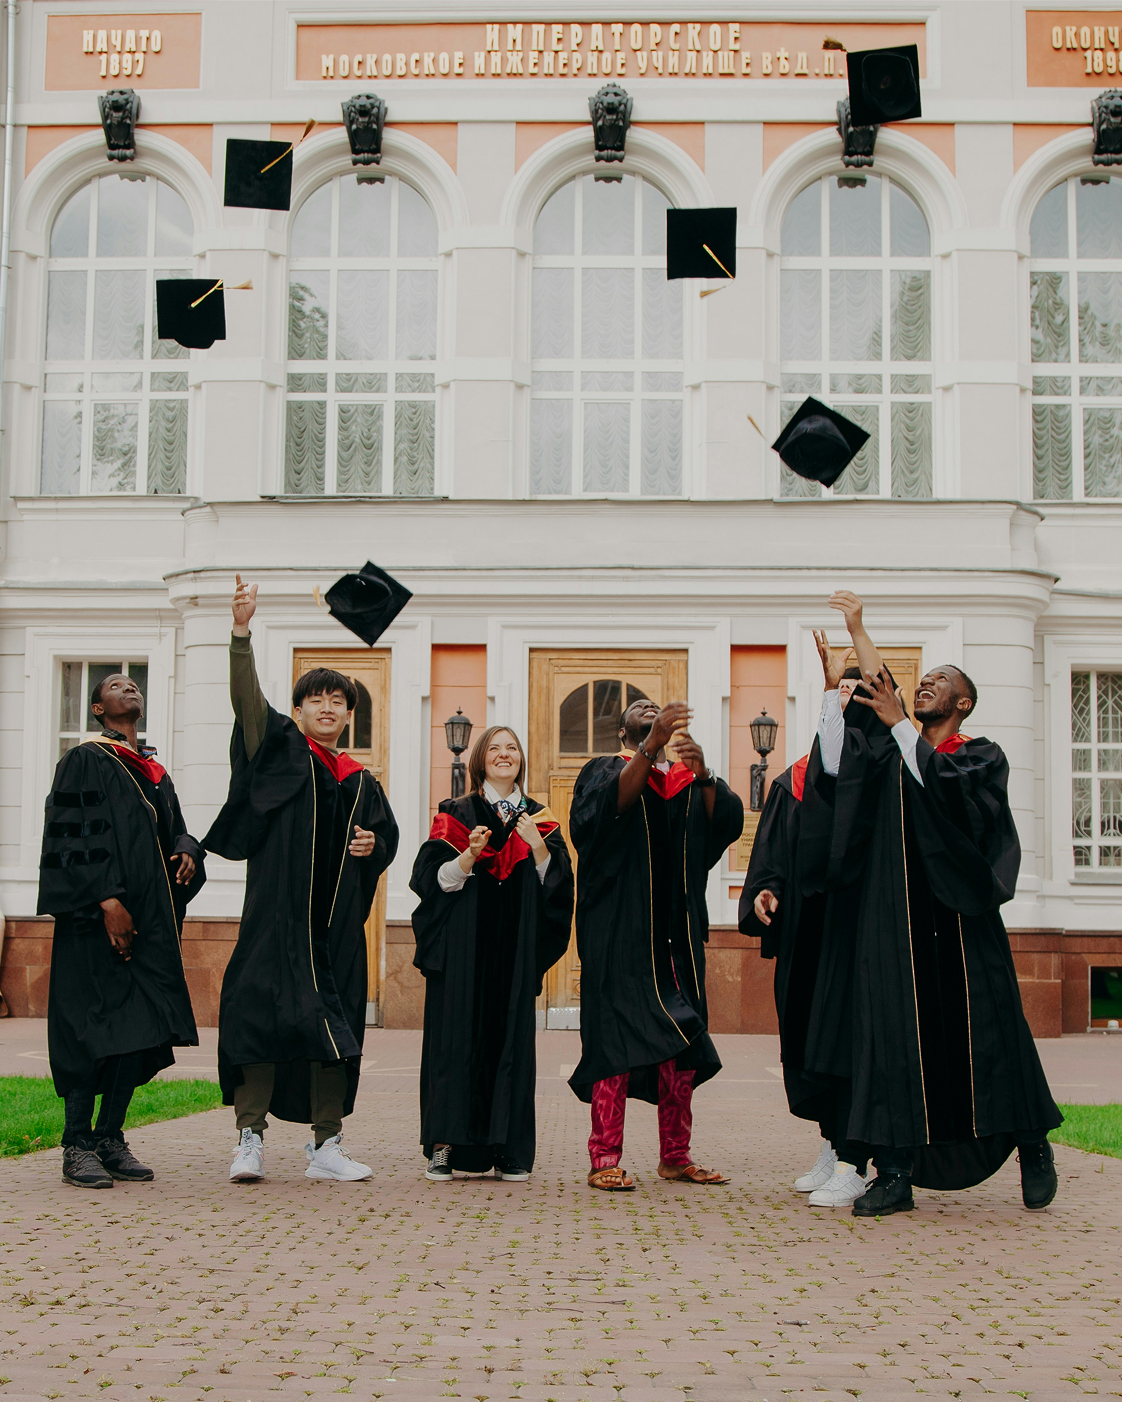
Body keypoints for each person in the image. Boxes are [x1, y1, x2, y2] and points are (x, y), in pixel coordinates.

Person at [824, 660, 1062, 1216]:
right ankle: (897, 1174)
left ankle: (1032, 1143)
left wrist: (901, 722)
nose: (929, 681)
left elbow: (954, 797)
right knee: (896, 1045)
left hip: (961, 923)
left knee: (995, 1036)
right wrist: (841, 683)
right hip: (900, 928)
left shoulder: (981, 755)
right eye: (924, 678)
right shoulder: (889, 755)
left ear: (963, 704)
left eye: (943, 680)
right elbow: (838, 770)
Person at [204, 576, 399, 1184]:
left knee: (333, 1030)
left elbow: (385, 839)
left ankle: (327, 1147)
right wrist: (241, 632)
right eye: (316, 699)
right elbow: (245, 700)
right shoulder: (279, 750)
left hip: (335, 928)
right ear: (297, 711)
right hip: (277, 920)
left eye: (339, 701)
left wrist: (374, 844)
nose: (328, 708)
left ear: (350, 715)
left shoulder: (362, 781)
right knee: (259, 1018)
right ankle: (249, 1138)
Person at [740, 592, 885, 1209]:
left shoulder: (879, 768)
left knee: (846, 1037)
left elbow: (844, 766)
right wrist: (766, 891)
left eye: (856, 692)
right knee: (806, 1039)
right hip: (807, 932)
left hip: (855, 927)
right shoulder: (791, 780)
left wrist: (854, 641)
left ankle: (856, 1154)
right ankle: (833, 1143)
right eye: (837, 693)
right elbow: (772, 854)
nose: (847, 698)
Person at [37, 672, 205, 1189]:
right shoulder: (86, 759)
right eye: (115, 685)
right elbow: (70, 837)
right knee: (92, 1030)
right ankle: (76, 1145)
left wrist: (188, 849)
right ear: (97, 709)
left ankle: (110, 1136)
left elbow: (173, 827)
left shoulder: (152, 770)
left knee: (140, 1029)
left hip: (150, 925)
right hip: (96, 926)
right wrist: (107, 901)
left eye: (134, 683)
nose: (128, 687)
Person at [568, 698, 744, 1190]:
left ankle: (675, 1156)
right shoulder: (604, 770)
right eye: (637, 709)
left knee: (682, 1042)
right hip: (619, 936)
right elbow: (597, 819)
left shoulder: (687, 781)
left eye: (653, 705)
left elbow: (723, 827)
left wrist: (704, 772)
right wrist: (652, 747)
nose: (646, 705)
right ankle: (604, 1158)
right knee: (613, 1044)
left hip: (676, 938)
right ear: (624, 732)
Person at [410, 725, 574, 1182]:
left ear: (522, 759)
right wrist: (467, 855)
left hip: (515, 955)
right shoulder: (455, 814)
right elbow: (430, 882)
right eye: (496, 749)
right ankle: (443, 1145)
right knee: (452, 1045)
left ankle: (509, 1148)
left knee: (512, 1047)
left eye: (513, 749)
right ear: (481, 759)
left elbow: (559, 892)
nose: (505, 755)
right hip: (462, 953)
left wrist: (539, 849)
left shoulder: (540, 820)